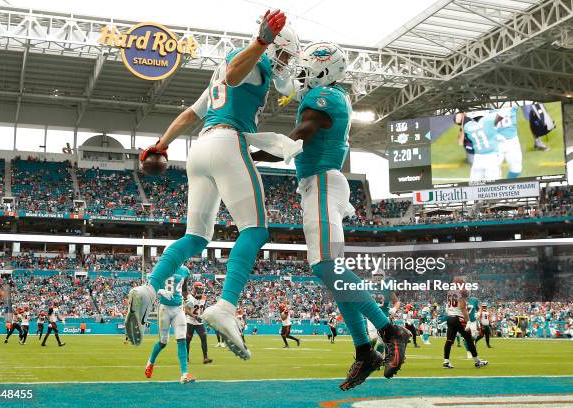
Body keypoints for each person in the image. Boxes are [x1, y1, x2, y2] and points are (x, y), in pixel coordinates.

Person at [125, 10, 300, 363]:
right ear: (274, 46)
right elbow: (237, 74)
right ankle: (226, 306)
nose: (284, 63)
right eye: (283, 55)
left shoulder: (219, 75)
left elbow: (189, 115)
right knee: (255, 230)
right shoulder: (251, 58)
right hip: (227, 142)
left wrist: (160, 144)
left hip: (200, 148)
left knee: (196, 237)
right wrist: (262, 41)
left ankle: (149, 287)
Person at [252, 41, 410, 391]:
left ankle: (389, 330)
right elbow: (293, 100)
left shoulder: (325, 100)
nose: (303, 74)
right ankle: (363, 350)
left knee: (326, 266)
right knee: (336, 278)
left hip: (322, 183)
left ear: (324, 69)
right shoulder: (333, 96)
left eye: (308, 67)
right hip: (323, 184)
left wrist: (252, 154)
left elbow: (303, 133)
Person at [145, 265, 195, 384]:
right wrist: (160, 291)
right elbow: (150, 285)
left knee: (182, 339)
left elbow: (184, 289)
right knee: (163, 342)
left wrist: (189, 296)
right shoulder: (163, 265)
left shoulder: (184, 270)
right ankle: (150, 363)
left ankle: (184, 374)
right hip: (164, 309)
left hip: (178, 308)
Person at [442, 278, 488, 369]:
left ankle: (446, 362)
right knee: (469, 339)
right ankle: (477, 361)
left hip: (450, 317)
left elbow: (449, 306)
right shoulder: (460, 293)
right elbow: (463, 308)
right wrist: (467, 321)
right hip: (458, 318)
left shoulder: (450, 293)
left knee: (449, 340)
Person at [455, 111, 502, 182]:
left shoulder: (467, 127)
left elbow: (460, 140)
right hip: (491, 157)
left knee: (474, 184)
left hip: (478, 158)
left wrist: (463, 119)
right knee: (493, 186)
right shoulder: (489, 121)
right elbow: (500, 116)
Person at [184, 282, 213, 364]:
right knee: (188, 340)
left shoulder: (204, 297)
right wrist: (194, 316)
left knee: (204, 337)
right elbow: (186, 310)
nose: (200, 291)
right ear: (195, 289)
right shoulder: (190, 297)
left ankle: (205, 358)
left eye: (201, 289)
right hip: (190, 321)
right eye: (198, 289)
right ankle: (186, 357)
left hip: (199, 322)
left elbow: (202, 309)